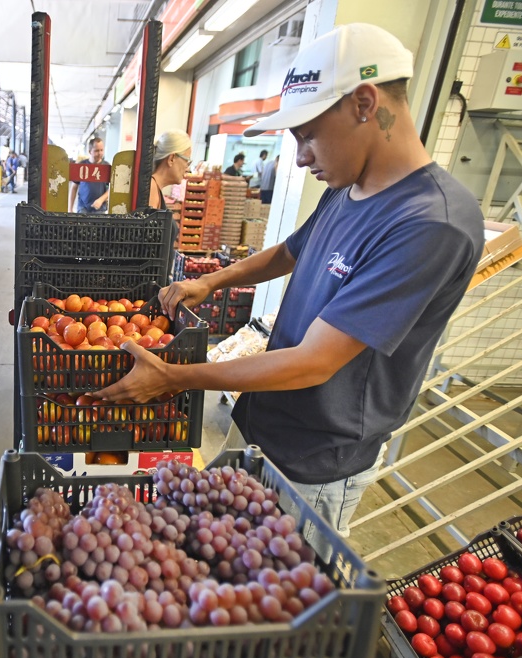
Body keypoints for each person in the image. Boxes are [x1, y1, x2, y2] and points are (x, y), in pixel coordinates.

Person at [95, 23, 485, 559]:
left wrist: (174, 377)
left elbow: (313, 363)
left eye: (307, 135)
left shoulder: (429, 224)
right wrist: (211, 279)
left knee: (274, 594)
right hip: (263, 422)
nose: (300, 157)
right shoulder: (347, 188)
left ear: (365, 104)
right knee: (217, 564)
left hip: (315, 460)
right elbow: (290, 252)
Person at [148, 130, 193, 281]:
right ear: (172, 158)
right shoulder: (151, 191)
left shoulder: (155, 189)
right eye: (187, 160)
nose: (188, 167)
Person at [69, 137, 109, 214]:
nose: (100, 153)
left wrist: (101, 200)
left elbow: (111, 188)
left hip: (100, 209)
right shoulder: (81, 165)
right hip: (83, 207)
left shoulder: (107, 166)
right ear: (90, 151)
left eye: (101, 150)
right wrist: (70, 209)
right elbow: (74, 187)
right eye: (97, 151)